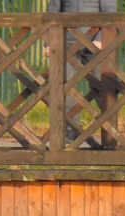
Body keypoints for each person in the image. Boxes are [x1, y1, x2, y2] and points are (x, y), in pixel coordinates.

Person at [46, 0, 117, 144]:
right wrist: (48, 42)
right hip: (66, 41)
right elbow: (53, 11)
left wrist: (100, 39)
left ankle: (111, 133)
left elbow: (109, 13)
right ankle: (71, 133)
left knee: (103, 87)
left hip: (95, 43)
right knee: (65, 87)